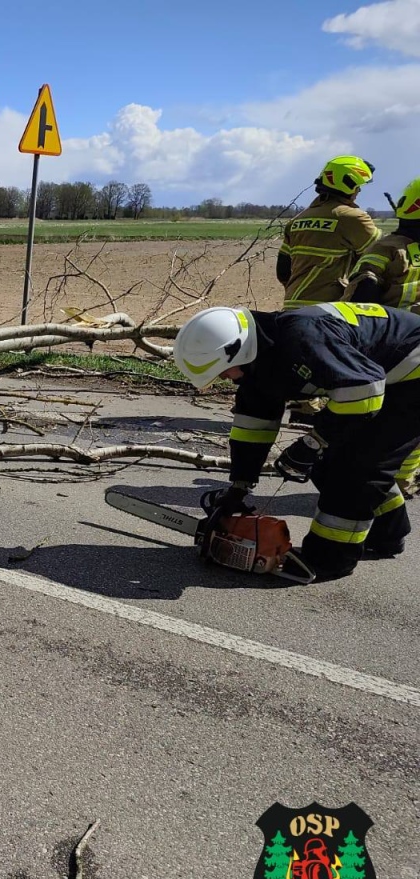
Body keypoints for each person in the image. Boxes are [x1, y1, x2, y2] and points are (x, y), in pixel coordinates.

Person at [173, 302, 420, 581]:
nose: (225, 380)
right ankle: (389, 534)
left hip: (411, 377)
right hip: (383, 379)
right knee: (328, 464)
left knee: (356, 469)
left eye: (223, 372)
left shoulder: (302, 339)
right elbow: (252, 426)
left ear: (237, 351)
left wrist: (313, 442)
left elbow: (364, 391)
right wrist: (240, 485)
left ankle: (330, 560)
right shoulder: (259, 363)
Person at [347, 178, 420, 496]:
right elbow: (365, 287)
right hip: (393, 353)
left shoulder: (393, 247)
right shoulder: (390, 248)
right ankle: (394, 481)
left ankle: (399, 480)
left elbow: (362, 293)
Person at [277, 156, 381, 308]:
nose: (358, 190)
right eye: (358, 186)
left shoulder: (298, 220)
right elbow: (382, 258)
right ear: (348, 184)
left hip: (292, 306)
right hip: (329, 311)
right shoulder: (352, 218)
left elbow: (282, 270)